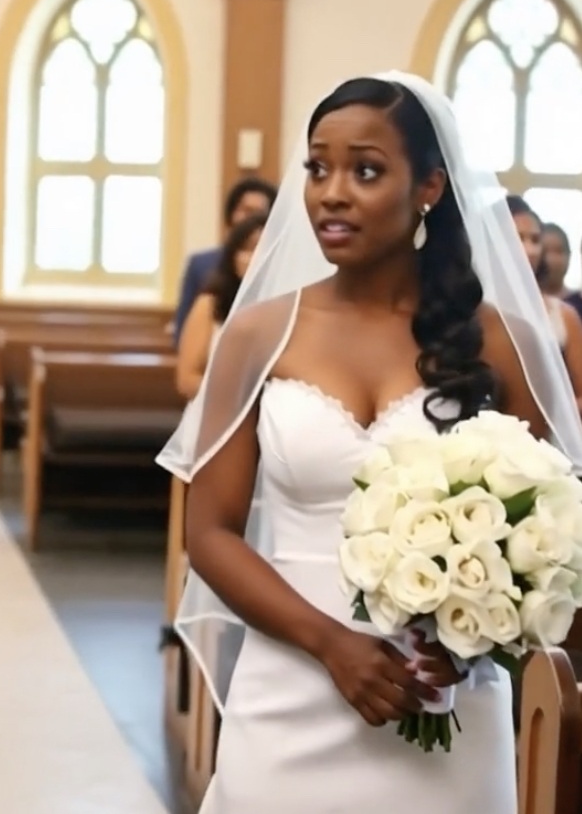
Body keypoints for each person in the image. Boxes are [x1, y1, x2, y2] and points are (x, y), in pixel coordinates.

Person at [157, 71, 582, 814]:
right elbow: (210, 532)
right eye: (317, 168)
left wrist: (473, 636)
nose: (331, 193)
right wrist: (331, 644)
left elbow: (548, 533)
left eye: (365, 171)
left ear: (429, 188)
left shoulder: (499, 344)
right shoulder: (258, 334)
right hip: (288, 685)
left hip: (443, 698)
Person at [172, 176, 277, 341]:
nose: (252, 218)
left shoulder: (281, 268)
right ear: (232, 214)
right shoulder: (200, 264)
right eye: (246, 210)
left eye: (260, 212)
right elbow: (182, 331)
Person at [176, 212, 267, 400]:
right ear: (232, 256)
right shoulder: (210, 303)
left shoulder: (294, 306)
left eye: (264, 249)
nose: (255, 258)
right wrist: (235, 401)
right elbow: (187, 379)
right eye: (248, 249)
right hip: (216, 407)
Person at [507, 196, 582, 411]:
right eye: (519, 238)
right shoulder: (470, 309)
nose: (530, 250)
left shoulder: (563, 314)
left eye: (535, 240)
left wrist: (554, 414)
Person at [541, 221, 582, 321]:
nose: (552, 259)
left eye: (558, 251)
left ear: (569, 255)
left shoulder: (579, 302)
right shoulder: (527, 305)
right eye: (545, 251)